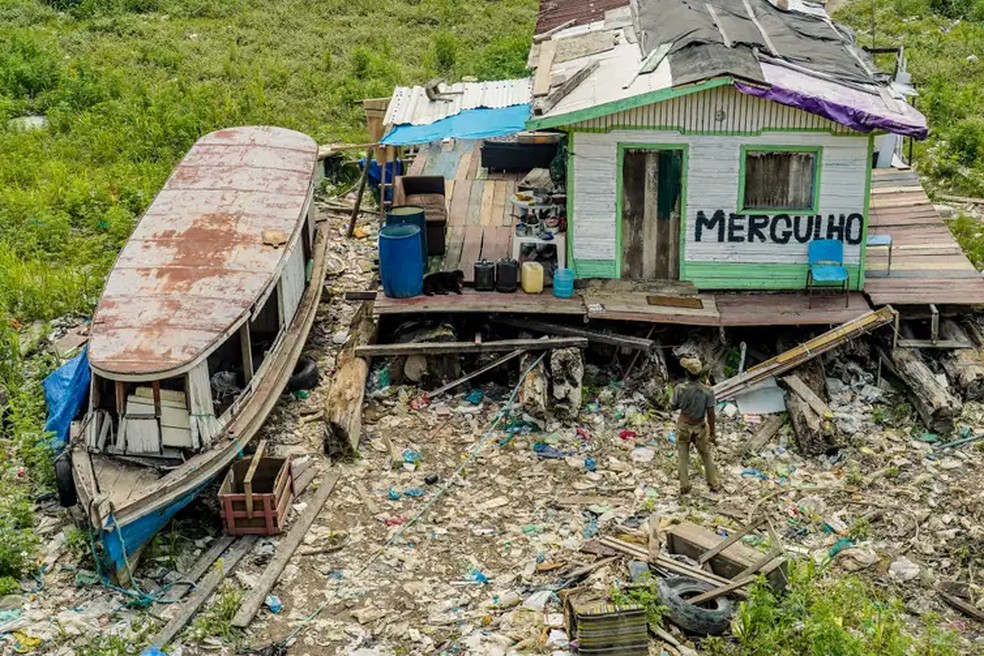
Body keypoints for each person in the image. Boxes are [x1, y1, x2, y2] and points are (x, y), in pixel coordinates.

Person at [671, 356, 720, 494]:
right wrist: (712, 433)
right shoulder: (708, 391)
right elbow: (711, 414)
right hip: (700, 427)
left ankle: (684, 486)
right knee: (706, 455)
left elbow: (673, 406)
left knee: (683, 456)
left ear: (686, 373)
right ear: (700, 374)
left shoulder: (679, 388)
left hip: (684, 426)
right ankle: (713, 483)